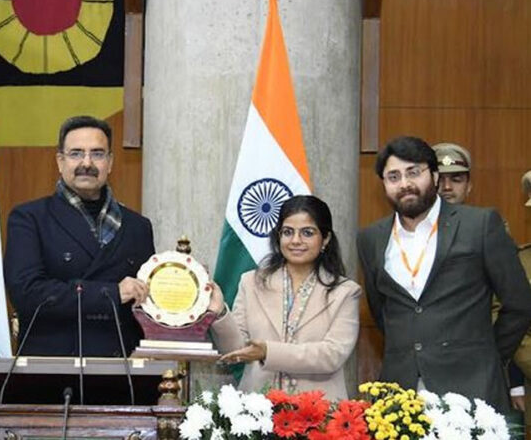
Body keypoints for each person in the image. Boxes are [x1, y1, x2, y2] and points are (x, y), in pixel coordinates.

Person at [357, 136, 531, 412]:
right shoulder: (370, 238)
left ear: (435, 176)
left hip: (473, 388)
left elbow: (519, 303)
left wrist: (487, 355)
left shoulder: (479, 225)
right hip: (400, 394)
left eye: (414, 172)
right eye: (393, 177)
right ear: (384, 184)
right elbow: (382, 312)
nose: (405, 184)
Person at [4, 116, 154, 357]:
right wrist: (111, 294)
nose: (87, 163)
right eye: (76, 153)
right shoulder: (29, 218)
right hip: (52, 368)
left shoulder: (138, 227)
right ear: (60, 161)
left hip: (122, 369)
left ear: (110, 163)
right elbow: (28, 294)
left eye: (97, 154)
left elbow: (147, 306)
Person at [208, 195, 361, 399]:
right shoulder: (251, 282)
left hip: (320, 412)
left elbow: (331, 356)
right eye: (288, 232)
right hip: (258, 409)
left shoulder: (345, 292)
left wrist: (268, 352)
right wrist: (220, 313)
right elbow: (236, 351)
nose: (296, 240)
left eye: (307, 233)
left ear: (325, 239)